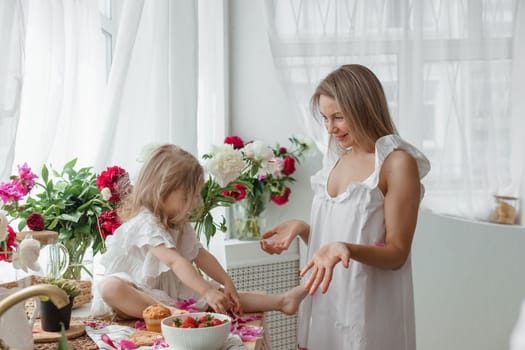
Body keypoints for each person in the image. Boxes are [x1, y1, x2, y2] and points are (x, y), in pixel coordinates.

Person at [260, 64, 431, 350]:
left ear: (365, 109)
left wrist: (346, 248)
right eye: (325, 118)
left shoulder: (396, 163)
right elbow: (344, 238)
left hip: (368, 312)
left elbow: (397, 253)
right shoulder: (336, 161)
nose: (330, 128)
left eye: (339, 117)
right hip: (327, 305)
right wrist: (304, 229)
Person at [90, 144, 306, 319]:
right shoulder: (146, 222)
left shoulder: (178, 222)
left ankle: (282, 301)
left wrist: (225, 281)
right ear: (161, 191)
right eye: (188, 196)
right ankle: (171, 314)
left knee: (221, 298)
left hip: (167, 293)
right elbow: (175, 261)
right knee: (110, 287)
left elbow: (199, 255)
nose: (194, 203)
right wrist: (206, 290)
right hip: (136, 292)